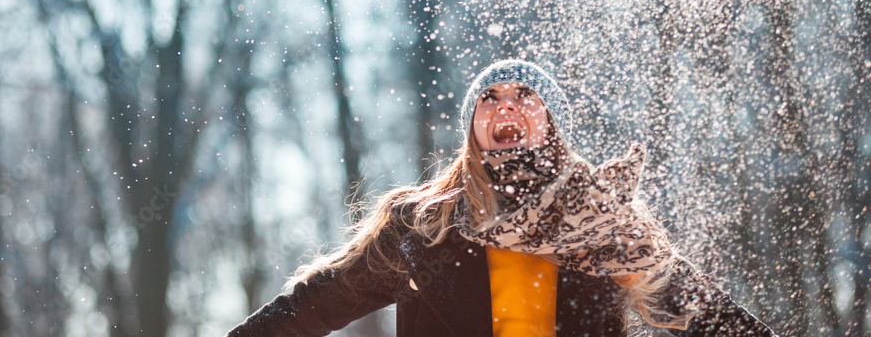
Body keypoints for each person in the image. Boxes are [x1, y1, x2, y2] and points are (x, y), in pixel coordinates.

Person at [226, 59, 778, 337]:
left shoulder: (605, 225)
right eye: (489, 98)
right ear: (472, 127)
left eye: (525, 96)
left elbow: (705, 313)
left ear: (552, 123)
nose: (506, 107)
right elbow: (314, 306)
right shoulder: (425, 225)